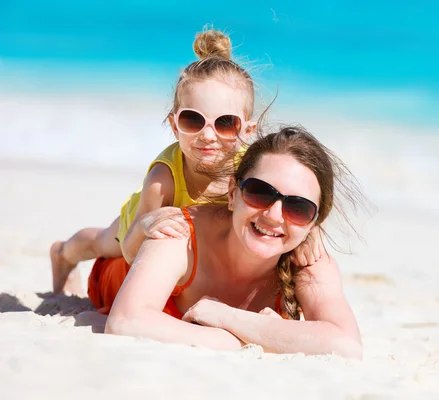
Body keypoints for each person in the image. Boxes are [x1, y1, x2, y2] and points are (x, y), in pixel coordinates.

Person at [50, 28, 323, 296]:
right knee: (101, 242)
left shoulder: (251, 169)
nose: (207, 135)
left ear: (248, 131)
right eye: (193, 120)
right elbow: (131, 253)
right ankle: (63, 253)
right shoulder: (162, 180)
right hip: (138, 222)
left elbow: (288, 199)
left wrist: (310, 235)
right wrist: (144, 227)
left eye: (225, 123)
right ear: (174, 124)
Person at [100, 127, 364, 358]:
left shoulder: (308, 261)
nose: (273, 216)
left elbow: (346, 345)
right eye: (260, 193)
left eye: (298, 208)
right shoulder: (179, 232)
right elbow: (125, 321)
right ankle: (65, 253)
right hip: (116, 274)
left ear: (312, 224)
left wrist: (227, 317)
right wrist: (244, 339)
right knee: (100, 239)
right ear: (232, 194)